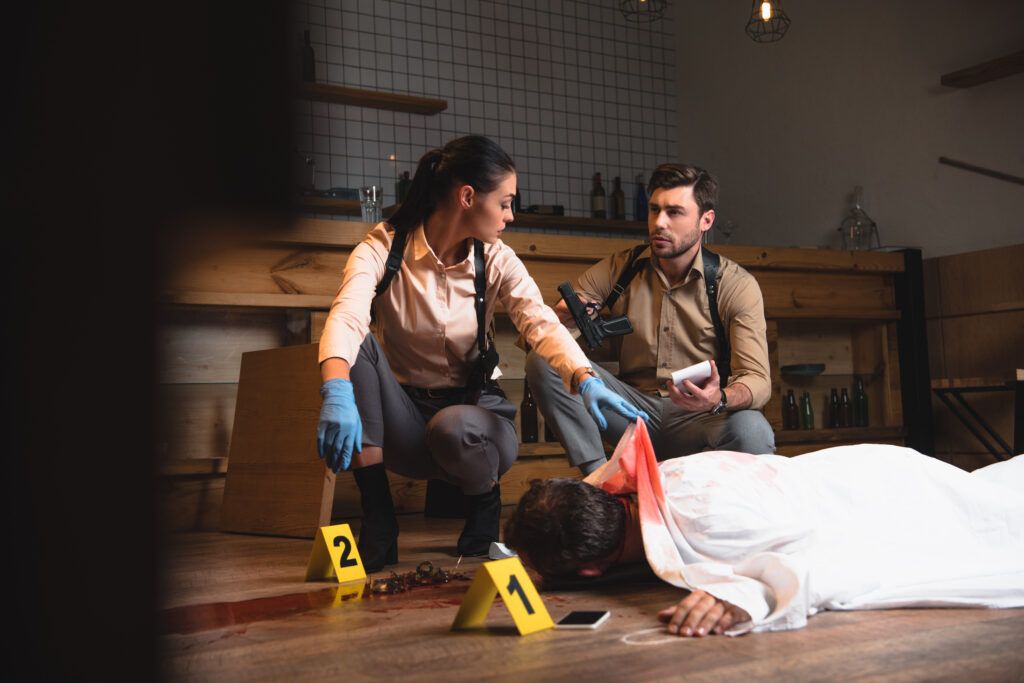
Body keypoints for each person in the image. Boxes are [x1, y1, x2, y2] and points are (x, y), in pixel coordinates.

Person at [315, 136, 647, 572]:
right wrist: (336, 390)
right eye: (505, 202)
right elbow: (346, 315)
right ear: (467, 196)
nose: (511, 215)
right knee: (355, 346)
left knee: (454, 427)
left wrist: (584, 377)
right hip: (405, 424)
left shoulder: (496, 258)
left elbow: (539, 321)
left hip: (474, 424)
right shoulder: (382, 247)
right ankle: (378, 519)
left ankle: (484, 509)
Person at [504, 422, 1024, 637]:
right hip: (853, 469)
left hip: (878, 498)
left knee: (999, 520)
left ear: (593, 567)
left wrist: (752, 592)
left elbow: (833, 550)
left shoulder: (705, 524)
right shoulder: (661, 483)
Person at [526, 163, 774, 475]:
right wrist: (566, 320)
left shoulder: (735, 285)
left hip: (699, 416)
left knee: (753, 429)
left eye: (674, 212)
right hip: (629, 410)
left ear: (705, 220)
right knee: (545, 360)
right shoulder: (621, 268)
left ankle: (727, 508)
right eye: (654, 210)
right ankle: (601, 482)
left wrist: (719, 397)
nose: (659, 223)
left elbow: (758, 380)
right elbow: (546, 334)